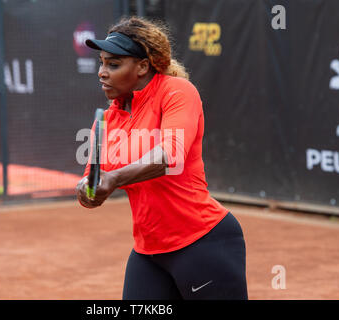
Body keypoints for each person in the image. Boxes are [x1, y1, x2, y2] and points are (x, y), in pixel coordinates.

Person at [76, 16, 248, 300]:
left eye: (114, 64)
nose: (102, 72)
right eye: (102, 63)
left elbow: (171, 154)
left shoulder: (177, 92)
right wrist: (86, 192)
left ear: (143, 66)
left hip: (203, 243)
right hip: (148, 253)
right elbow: (90, 180)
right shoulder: (106, 120)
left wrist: (114, 178)